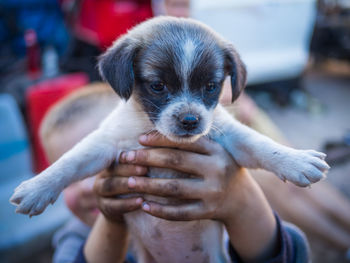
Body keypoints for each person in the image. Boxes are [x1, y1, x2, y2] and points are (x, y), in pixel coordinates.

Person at [41, 83, 310, 263]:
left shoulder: (201, 202)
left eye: (111, 161)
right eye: (76, 170)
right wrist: (113, 219)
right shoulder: (74, 238)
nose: (90, 186)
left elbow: (291, 253)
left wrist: (237, 199)